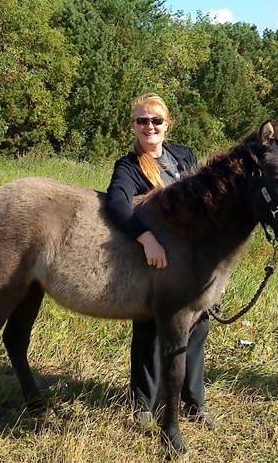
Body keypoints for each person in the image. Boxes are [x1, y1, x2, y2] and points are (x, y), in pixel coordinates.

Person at [105, 92, 216, 430]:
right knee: (150, 327)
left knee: (198, 326)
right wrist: (147, 238)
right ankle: (143, 402)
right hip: (156, 260)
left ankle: (193, 400)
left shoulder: (184, 157)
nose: (149, 126)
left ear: (168, 124)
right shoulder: (128, 166)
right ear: (133, 126)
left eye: (156, 120)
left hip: (192, 259)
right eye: (142, 120)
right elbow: (117, 204)